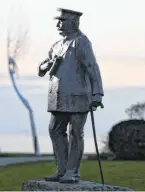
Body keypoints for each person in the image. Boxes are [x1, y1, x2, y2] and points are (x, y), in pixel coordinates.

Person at [38, 8, 104, 183]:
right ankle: (61, 170)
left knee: (75, 132)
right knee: (55, 130)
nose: (58, 25)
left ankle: (72, 172)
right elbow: (42, 69)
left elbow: (92, 67)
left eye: (62, 21)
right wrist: (45, 66)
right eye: (58, 21)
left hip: (78, 95)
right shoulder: (56, 45)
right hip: (57, 96)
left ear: (74, 23)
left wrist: (97, 93)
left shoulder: (81, 42)